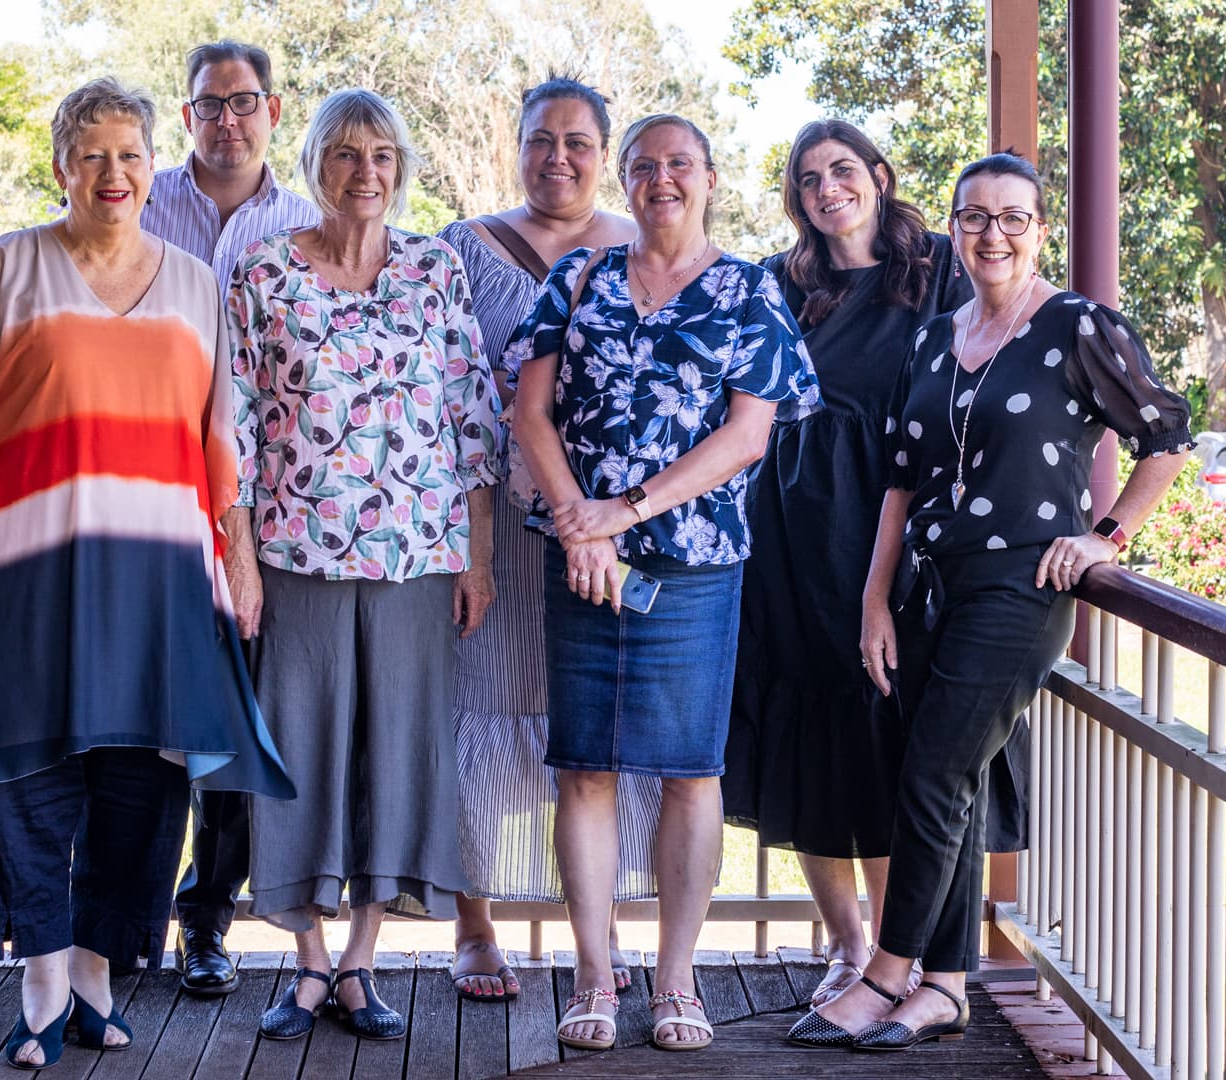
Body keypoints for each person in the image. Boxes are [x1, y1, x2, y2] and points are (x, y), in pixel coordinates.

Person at [0, 78, 293, 1070]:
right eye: (92, 155)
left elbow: (220, 449)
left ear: (152, 165)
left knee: (142, 782)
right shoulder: (3, 271)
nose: (113, 174)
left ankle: (98, 969)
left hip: (160, 581)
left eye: (130, 155)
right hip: (21, 572)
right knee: (25, 767)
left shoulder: (197, 283)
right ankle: (38, 966)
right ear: (61, 166)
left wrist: (238, 561)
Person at [788, 152, 1191, 1051]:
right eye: (975, 217)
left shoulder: (1077, 326)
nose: (992, 234)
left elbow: (1166, 434)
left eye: (1013, 218)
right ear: (954, 230)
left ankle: (887, 974)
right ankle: (947, 985)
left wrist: (1107, 534)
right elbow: (899, 480)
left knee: (934, 773)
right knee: (944, 783)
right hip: (929, 586)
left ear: (1040, 229)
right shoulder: (938, 336)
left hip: (1020, 585)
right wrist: (875, 600)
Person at [507, 113, 821, 1052]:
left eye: (678, 165)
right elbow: (529, 413)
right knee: (587, 769)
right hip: (581, 561)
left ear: (711, 179)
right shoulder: (583, 277)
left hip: (692, 567)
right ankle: (596, 976)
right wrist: (580, 523)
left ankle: (677, 980)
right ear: (625, 181)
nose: (660, 180)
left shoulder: (747, 291)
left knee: (690, 771)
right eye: (643, 167)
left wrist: (624, 511)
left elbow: (747, 435)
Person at [227, 88, 502, 1042]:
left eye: (383, 155)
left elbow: (471, 419)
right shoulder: (265, 273)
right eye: (346, 154)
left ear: (401, 168)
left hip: (418, 557)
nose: (366, 172)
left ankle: (360, 966)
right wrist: (242, 563)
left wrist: (477, 557)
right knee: (299, 748)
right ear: (315, 167)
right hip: (294, 553)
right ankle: (305, 965)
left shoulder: (434, 268)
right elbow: (238, 432)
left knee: (397, 746)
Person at [722, 119, 973, 1006]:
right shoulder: (776, 281)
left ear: (877, 174)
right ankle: (845, 945)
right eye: (808, 178)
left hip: (897, 519)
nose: (827, 189)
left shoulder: (942, 266)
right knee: (812, 735)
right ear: (796, 197)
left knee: (892, 734)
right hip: (792, 532)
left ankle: (897, 955)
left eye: (842, 170)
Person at [435, 77, 655, 1004]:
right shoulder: (461, 248)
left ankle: (594, 942)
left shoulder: (642, 250)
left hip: (605, 531)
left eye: (576, 141)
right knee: (480, 709)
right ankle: (475, 925)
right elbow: (441, 388)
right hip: (490, 527)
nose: (556, 157)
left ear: (603, 154)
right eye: (539, 140)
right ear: (516, 147)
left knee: (596, 726)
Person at [139, 38, 320, 1002]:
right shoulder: (135, 201)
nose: (227, 119)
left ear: (274, 111)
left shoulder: (307, 224)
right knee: (138, 719)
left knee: (242, 723)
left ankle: (207, 915)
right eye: (209, 104)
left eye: (244, 102)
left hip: (264, 516)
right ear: (187, 117)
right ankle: (120, 913)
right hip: (147, 503)